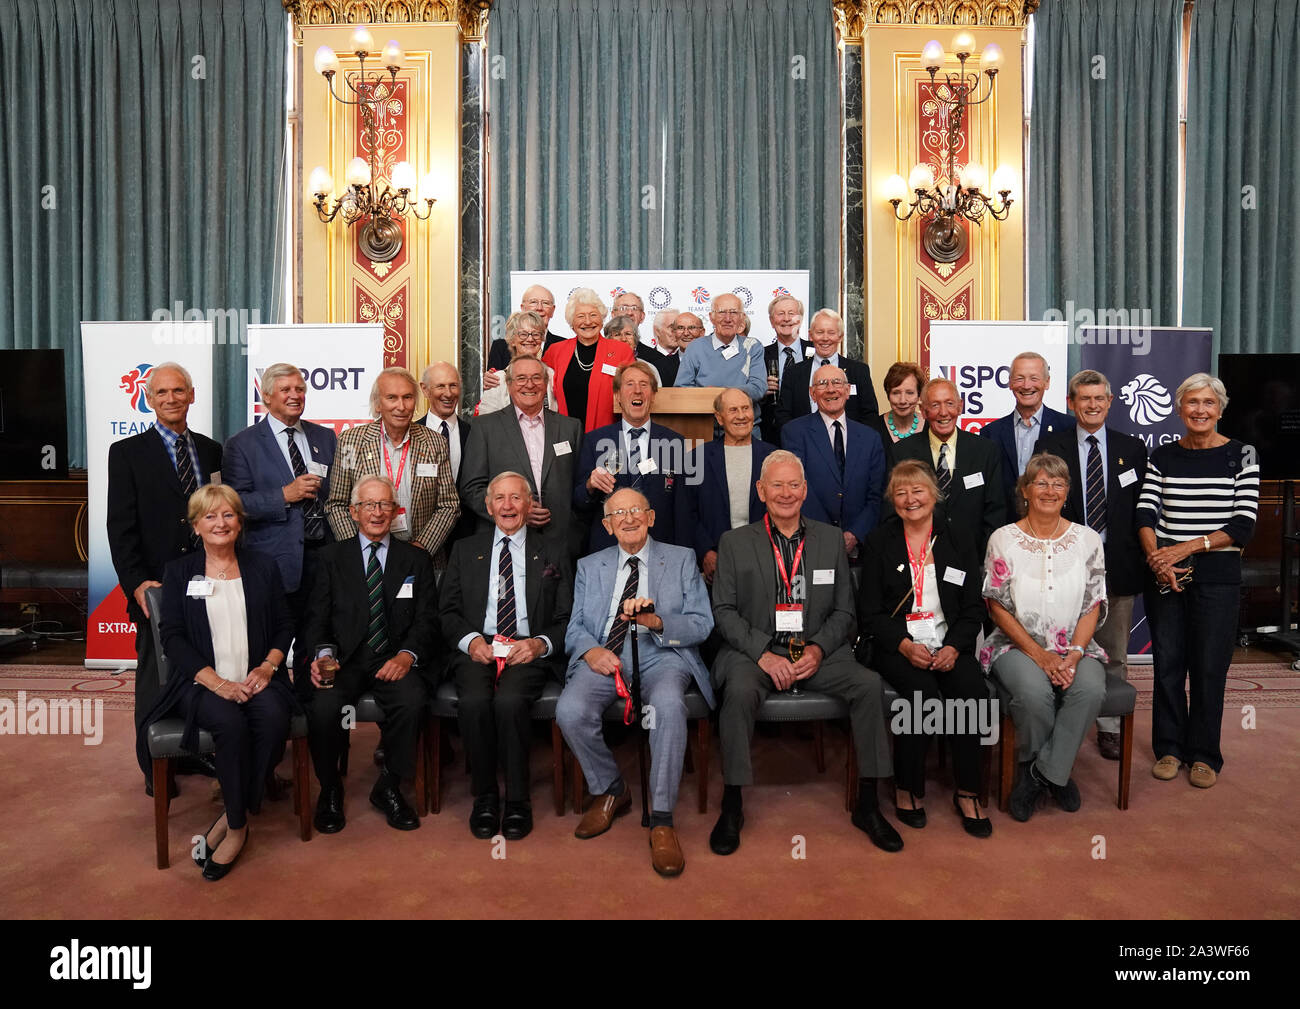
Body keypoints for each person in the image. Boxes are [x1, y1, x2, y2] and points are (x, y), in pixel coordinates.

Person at [709, 451, 901, 855]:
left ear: (805, 490)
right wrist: (763, 653)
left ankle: (868, 804)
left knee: (868, 686)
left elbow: (845, 611)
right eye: (776, 485)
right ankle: (732, 803)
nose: (786, 493)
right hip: (754, 652)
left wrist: (817, 648)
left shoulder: (830, 539)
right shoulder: (733, 543)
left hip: (818, 650)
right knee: (739, 692)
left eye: (793, 485)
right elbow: (722, 611)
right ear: (761, 491)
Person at [139, 484, 295, 880]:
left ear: (240, 522)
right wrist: (216, 683)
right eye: (210, 516)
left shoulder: (263, 566)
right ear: (196, 526)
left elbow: (284, 625)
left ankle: (230, 812)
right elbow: (172, 637)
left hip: (257, 676)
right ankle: (239, 828)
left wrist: (267, 668)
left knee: (275, 718)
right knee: (229, 722)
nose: (220, 523)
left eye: (228, 515)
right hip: (200, 683)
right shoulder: (179, 573)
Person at [557, 487, 714, 876]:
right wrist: (590, 651)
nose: (629, 519)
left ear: (651, 517)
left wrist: (657, 622)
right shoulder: (590, 566)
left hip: (662, 656)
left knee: (668, 708)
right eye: (618, 514)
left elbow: (702, 623)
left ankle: (661, 818)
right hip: (606, 656)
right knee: (570, 710)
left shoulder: (680, 559)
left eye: (636, 511)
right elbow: (575, 626)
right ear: (607, 526)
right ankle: (613, 790)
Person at [1138, 373, 1259, 788]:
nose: (1200, 410)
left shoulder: (1243, 455)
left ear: (1220, 409)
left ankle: (1205, 755)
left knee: (1209, 668)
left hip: (1217, 578)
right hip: (1166, 574)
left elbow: (1242, 525)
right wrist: (1159, 559)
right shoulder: (1162, 455)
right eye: (1192, 403)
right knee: (1168, 666)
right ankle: (1170, 749)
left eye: (1208, 403)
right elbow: (1145, 514)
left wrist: (1184, 548)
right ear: (1179, 408)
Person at [859, 461, 992, 838]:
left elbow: (972, 609)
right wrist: (903, 645)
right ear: (892, 500)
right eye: (900, 493)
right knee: (921, 693)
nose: (910, 499)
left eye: (917, 491)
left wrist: (954, 647)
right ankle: (908, 787)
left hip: (948, 642)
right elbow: (869, 613)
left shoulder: (959, 538)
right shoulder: (879, 541)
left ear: (934, 494)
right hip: (898, 645)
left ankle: (968, 790)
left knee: (972, 691)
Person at [439, 472, 572, 840]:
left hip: (527, 647)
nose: (508, 505)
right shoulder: (466, 550)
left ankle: (517, 800)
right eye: (500, 498)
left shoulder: (554, 549)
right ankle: (484, 797)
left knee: (511, 702)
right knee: (476, 701)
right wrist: (469, 642)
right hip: (478, 646)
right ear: (487, 505)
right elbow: (447, 612)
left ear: (530, 505)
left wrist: (539, 644)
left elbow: (567, 617)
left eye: (516, 498)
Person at [300, 475, 436, 834]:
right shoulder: (330, 558)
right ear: (353, 512)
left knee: (413, 701)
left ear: (395, 511)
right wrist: (323, 655)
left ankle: (388, 786)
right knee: (325, 707)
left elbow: (427, 620)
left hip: (392, 657)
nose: (377, 513)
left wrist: (407, 655)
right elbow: (317, 618)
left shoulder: (416, 560)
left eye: (384, 505)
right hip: (343, 660)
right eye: (369, 505)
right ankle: (330, 788)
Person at [108, 361, 223, 781]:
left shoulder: (212, 450)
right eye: (161, 393)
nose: (171, 399)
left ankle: (192, 749)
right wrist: (137, 583)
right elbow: (119, 528)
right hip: (155, 587)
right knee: (156, 677)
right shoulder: (126, 454)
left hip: (208, 585)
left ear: (192, 396)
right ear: (149, 399)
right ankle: (153, 769)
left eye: (179, 391)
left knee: (202, 672)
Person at [980, 453, 1108, 822]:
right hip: (1015, 646)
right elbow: (997, 606)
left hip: (1075, 646)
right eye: (1041, 482)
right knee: (1033, 694)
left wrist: (1075, 653)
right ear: (1025, 490)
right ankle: (1057, 772)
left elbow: (1092, 604)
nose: (1049, 490)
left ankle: (1039, 773)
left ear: (1067, 492)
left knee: (1089, 689)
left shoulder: (1087, 540)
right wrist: (1039, 655)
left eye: (1058, 483)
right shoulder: (1003, 538)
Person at [1035, 369, 1147, 760]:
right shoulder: (1051, 446)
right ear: (1071, 402)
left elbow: (1140, 512)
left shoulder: (1131, 449)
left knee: (1114, 649)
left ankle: (1110, 727)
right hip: (1064, 566)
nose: (1093, 404)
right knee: (1058, 644)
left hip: (1117, 565)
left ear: (1111, 402)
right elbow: (1040, 501)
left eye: (1100, 398)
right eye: (1085, 398)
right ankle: (1060, 720)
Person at [223, 362, 336, 696]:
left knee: (313, 642)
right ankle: (270, 716)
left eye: (300, 389)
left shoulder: (324, 437)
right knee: (268, 644)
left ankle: (308, 717)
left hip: (321, 558)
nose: (294, 396)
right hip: (271, 562)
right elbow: (233, 505)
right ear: (266, 396)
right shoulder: (241, 444)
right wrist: (283, 495)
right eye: (286, 390)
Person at [459, 355, 586, 557]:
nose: (530, 385)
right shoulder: (485, 428)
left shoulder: (571, 428)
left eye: (536, 378)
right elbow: (471, 488)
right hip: (505, 544)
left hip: (560, 546)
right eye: (521, 378)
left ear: (545, 384)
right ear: (509, 386)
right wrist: (513, 511)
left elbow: (580, 487)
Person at [573, 361, 688, 552]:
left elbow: (683, 506)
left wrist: (684, 553)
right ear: (617, 396)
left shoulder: (674, 442)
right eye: (629, 384)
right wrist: (590, 486)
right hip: (608, 548)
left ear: (653, 396)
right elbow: (578, 502)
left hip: (661, 548)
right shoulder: (594, 441)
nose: (637, 391)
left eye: (644, 385)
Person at [889, 377, 1006, 557]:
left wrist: (982, 557)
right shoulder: (902, 453)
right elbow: (892, 510)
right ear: (924, 411)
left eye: (949, 404)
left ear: (960, 406)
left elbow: (995, 511)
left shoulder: (985, 451)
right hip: (919, 558)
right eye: (935, 405)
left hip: (973, 558)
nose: (943, 412)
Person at [780, 364, 885, 560]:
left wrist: (854, 534)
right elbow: (797, 487)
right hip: (811, 542)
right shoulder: (794, 432)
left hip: (861, 548)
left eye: (837, 382)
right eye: (822, 384)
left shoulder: (870, 438)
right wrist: (827, 536)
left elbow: (876, 495)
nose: (830, 389)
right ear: (812, 393)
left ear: (847, 391)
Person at [682, 387, 777, 583]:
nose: (741, 416)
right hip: (716, 562)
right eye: (733, 410)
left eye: (746, 408)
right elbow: (687, 512)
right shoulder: (697, 458)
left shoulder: (773, 457)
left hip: (764, 560)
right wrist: (705, 552)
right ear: (719, 418)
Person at [980, 351, 1073, 517]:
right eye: (1019, 378)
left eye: (1034, 378)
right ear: (1010, 383)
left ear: (1047, 382)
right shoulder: (990, 433)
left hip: (1055, 527)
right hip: (1006, 529)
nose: (1026, 385)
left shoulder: (1068, 428)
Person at [774, 308, 881, 441]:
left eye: (831, 333)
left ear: (840, 336)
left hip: (849, 445)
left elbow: (870, 415)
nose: (825, 338)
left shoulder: (859, 371)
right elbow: (783, 416)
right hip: (804, 445)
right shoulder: (793, 372)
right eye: (819, 332)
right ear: (810, 335)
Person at [542, 287, 636, 432]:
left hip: (606, 436)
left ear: (602, 319)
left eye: (593, 315)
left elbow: (632, 391)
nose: (587, 321)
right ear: (571, 323)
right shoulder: (556, 351)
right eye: (580, 316)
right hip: (564, 435)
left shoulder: (621, 351)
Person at [417, 361, 477, 552]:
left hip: (467, 539)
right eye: (440, 386)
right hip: (420, 539)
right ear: (425, 390)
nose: (448, 393)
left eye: (453, 385)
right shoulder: (410, 434)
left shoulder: (475, 435)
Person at [673, 293, 766, 407]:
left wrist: (717, 393)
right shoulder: (695, 347)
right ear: (711, 317)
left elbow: (758, 388)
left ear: (742, 318)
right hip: (704, 421)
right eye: (722, 312)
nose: (728, 319)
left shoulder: (753, 346)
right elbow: (681, 389)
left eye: (733, 312)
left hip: (742, 421)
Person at [477, 313, 558, 415]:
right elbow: (485, 423)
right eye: (523, 334)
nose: (530, 339)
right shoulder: (498, 379)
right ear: (512, 340)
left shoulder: (551, 375)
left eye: (536, 334)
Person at [484, 284, 565, 378]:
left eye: (546, 303)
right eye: (533, 302)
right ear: (522, 308)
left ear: (553, 310)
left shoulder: (564, 346)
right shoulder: (500, 347)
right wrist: (488, 381)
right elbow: (493, 383)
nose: (539, 308)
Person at [762, 295, 811, 439]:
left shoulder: (816, 351)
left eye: (791, 313)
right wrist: (761, 388)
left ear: (800, 320)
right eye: (781, 314)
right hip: (771, 433)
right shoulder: (760, 355)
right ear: (772, 321)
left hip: (811, 429)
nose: (786, 319)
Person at [602, 314, 662, 386]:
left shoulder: (649, 368)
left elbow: (657, 395)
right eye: (617, 335)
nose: (623, 339)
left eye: (628, 334)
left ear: (635, 339)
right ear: (609, 340)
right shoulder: (601, 366)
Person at [880, 361, 926, 443]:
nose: (902, 400)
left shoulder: (932, 427)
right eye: (896, 393)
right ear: (888, 395)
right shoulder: (872, 429)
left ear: (919, 395)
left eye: (909, 393)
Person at [640, 309, 682, 386]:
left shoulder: (688, 359)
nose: (677, 332)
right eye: (672, 327)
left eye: (679, 328)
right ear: (657, 331)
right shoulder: (644, 360)